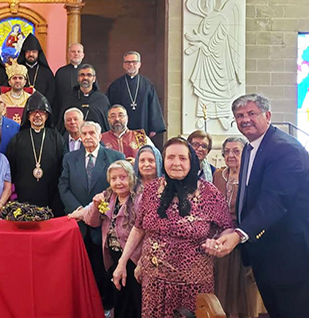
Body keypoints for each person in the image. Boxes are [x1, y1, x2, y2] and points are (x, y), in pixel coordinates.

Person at [205, 94, 309, 317]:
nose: (245, 120)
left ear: (268, 115)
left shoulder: (284, 149)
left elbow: (275, 200)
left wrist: (240, 233)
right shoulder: (252, 148)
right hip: (265, 251)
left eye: (252, 113)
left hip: (289, 253)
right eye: (239, 116)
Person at [113, 137, 233, 318]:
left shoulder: (209, 192)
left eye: (182, 158)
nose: (176, 163)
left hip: (194, 285)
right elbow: (138, 228)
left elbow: (227, 228)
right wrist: (122, 263)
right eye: (170, 157)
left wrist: (217, 243)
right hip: (154, 283)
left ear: (191, 161)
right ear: (164, 161)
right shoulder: (151, 190)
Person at [58, 121, 125, 314]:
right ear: (79, 136)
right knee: (78, 270)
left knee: (103, 270)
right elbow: (63, 185)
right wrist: (79, 209)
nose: (87, 136)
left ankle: (105, 307)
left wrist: (95, 210)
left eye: (91, 133)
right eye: (84, 133)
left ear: (100, 135)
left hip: (103, 223)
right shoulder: (70, 158)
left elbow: (117, 188)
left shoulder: (114, 157)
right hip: (78, 224)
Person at [69, 160, 143, 318]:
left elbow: (144, 230)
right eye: (114, 178)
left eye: (123, 177)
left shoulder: (139, 198)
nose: (118, 182)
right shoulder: (109, 196)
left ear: (131, 178)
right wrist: (94, 206)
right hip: (113, 256)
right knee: (119, 299)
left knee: (134, 301)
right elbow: (92, 221)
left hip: (134, 258)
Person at [212, 137, 263, 318]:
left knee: (243, 286)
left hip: (243, 237)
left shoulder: (252, 176)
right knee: (223, 285)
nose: (231, 155)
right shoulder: (218, 175)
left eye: (236, 151)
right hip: (221, 236)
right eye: (227, 151)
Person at [6, 92, 65, 216]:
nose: (37, 115)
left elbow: (62, 166)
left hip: (51, 193)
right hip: (24, 193)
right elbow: (10, 168)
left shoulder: (56, 137)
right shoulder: (17, 139)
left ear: (47, 116)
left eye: (42, 112)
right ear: (27, 116)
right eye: (33, 112)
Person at [106, 51, 166, 137]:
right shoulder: (116, 85)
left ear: (139, 64)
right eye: (127, 62)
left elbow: (153, 105)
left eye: (134, 62)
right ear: (124, 65)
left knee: (141, 149)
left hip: (142, 126)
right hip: (121, 128)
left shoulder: (147, 84)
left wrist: (154, 127)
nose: (130, 64)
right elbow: (109, 106)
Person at [58, 64, 111, 132]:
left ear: (94, 79)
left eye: (89, 75)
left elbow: (106, 124)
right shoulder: (69, 98)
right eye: (82, 75)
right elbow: (62, 126)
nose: (85, 77)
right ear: (78, 78)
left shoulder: (102, 99)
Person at [17, 33, 55, 106]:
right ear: (24, 53)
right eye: (28, 52)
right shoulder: (18, 70)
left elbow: (51, 92)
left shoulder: (46, 72)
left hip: (42, 108)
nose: (31, 54)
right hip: (21, 107)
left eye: (34, 52)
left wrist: (43, 105)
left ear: (38, 53)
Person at [54, 43, 85, 119]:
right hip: (64, 110)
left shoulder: (88, 72)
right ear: (68, 54)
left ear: (83, 55)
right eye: (73, 51)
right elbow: (56, 95)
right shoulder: (61, 72)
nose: (76, 54)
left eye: (78, 51)